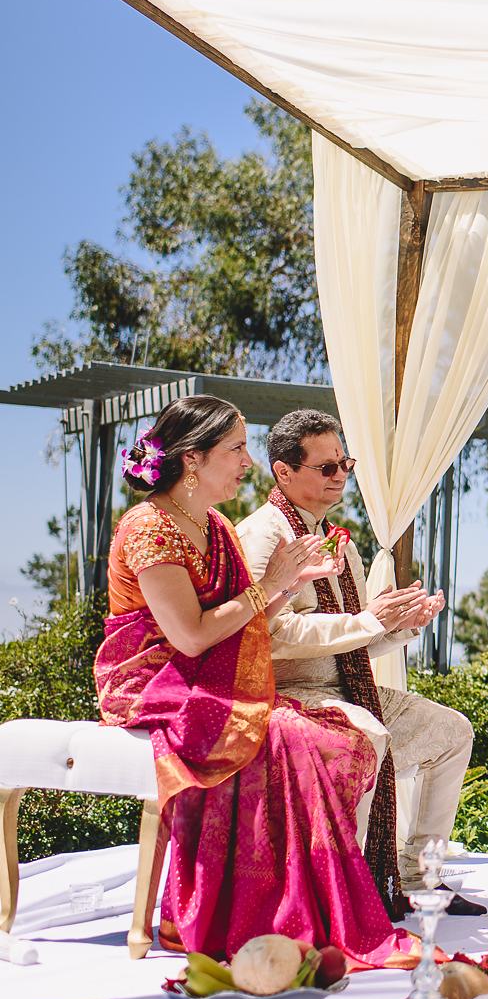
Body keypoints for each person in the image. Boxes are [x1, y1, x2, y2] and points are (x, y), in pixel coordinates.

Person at [94, 395, 415, 965]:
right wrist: (273, 586)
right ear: (193, 459)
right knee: (296, 738)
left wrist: (291, 583)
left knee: (321, 738)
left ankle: (303, 908)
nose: (248, 462)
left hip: (208, 673)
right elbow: (190, 636)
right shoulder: (148, 527)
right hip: (153, 679)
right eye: (237, 449)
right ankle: (263, 913)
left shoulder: (213, 524)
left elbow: (252, 621)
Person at [237, 410, 483, 917]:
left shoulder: (334, 540)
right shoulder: (263, 536)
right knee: (367, 732)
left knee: (452, 731)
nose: (341, 476)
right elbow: (272, 636)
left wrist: (401, 624)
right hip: (291, 694)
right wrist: (370, 621)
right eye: (326, 467)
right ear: (283, 472)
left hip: (347, 686)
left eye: (344, 463)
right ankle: (344, 885)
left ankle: (419, 877)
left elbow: (352, 639)